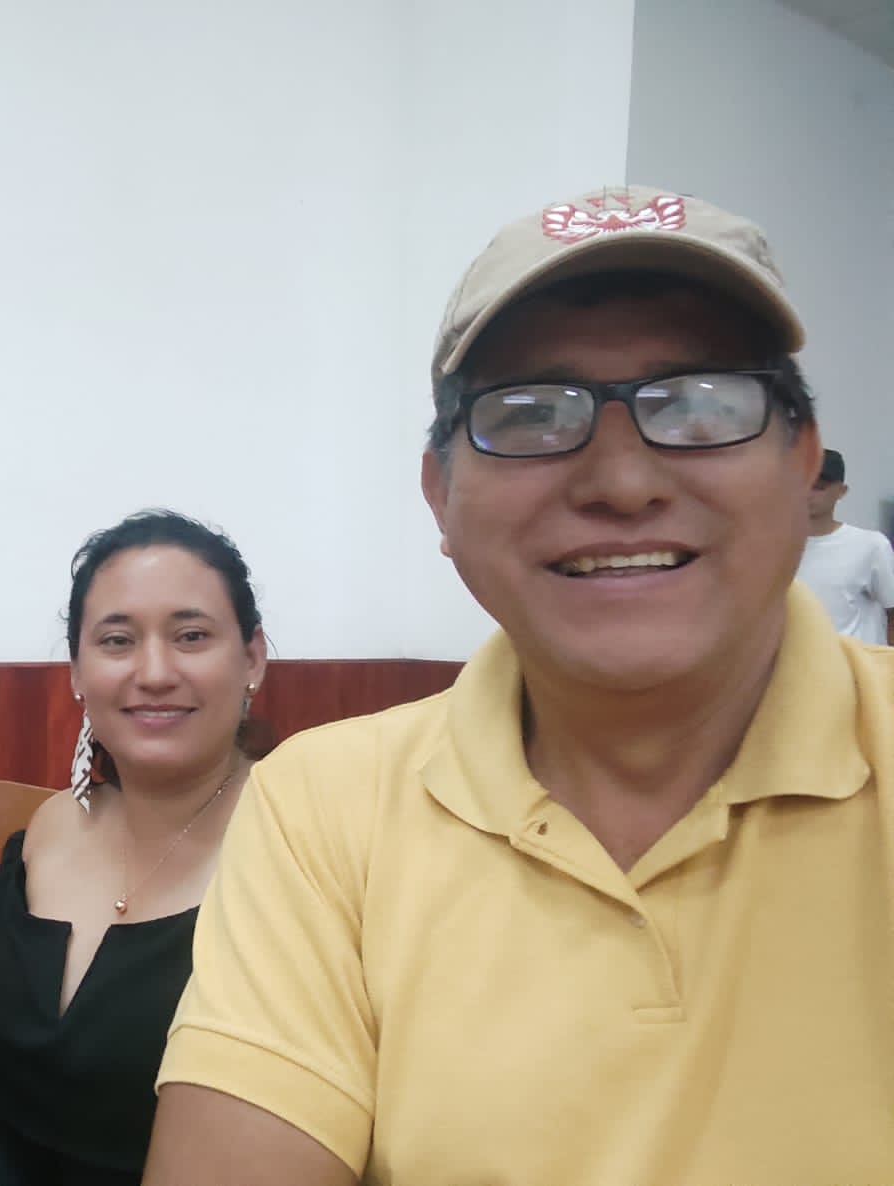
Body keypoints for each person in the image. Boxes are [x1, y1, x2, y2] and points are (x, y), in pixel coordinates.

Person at [144, 188, 894, 1184]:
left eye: (700, 403)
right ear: (439, 495)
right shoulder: (326, 803)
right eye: (532, 415)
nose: (622, 482)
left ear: (803, 464)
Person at [0, 510, 268, 1185]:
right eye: (117, 641)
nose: (154, 672)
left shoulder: (296, 847)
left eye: (191, 636)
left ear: (252, 658)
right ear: (77, 673)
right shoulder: (49, 826)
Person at [796, 448, 894, 645]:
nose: (807, 494)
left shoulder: (870, 546)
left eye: (819, 487)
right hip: (796, 661)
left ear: (841, 491)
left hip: (851, 662)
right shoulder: (775, 549)